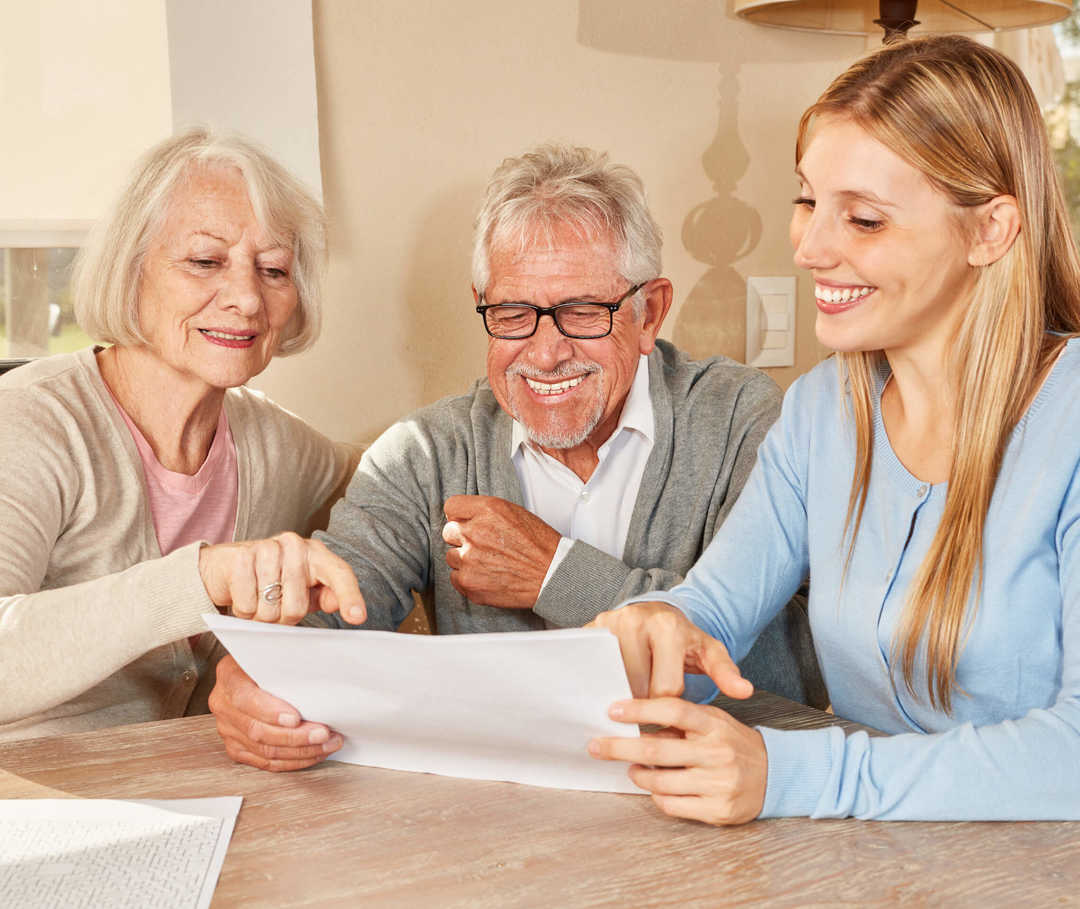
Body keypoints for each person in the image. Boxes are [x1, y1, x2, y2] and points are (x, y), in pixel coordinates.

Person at [588, 34, 1080, 823]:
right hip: (863, 866)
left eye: (864, 219)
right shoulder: (820, 412)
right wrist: (664, 628)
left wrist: (800, 774)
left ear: (990, 230)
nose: (812, 248)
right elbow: (714, 613)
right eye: (809, 201)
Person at [209, 143, 825, 771]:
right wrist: (255, 678)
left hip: (716, 803)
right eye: (513, 313)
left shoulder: (740, 418)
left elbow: (785, 666)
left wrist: (555, 575)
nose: (545, 353)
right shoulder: (425, 453)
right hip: (499, 818)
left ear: (650, 313)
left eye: (584, 312)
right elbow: (331, 619)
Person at [0, 128, 367, 742]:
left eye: (273, 269)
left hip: (202, 796)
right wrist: (198, 578)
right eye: (205, 261)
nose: (248, 298)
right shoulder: (31, 424)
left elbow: (402, 480)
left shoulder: (275, 446)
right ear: (130, 269)